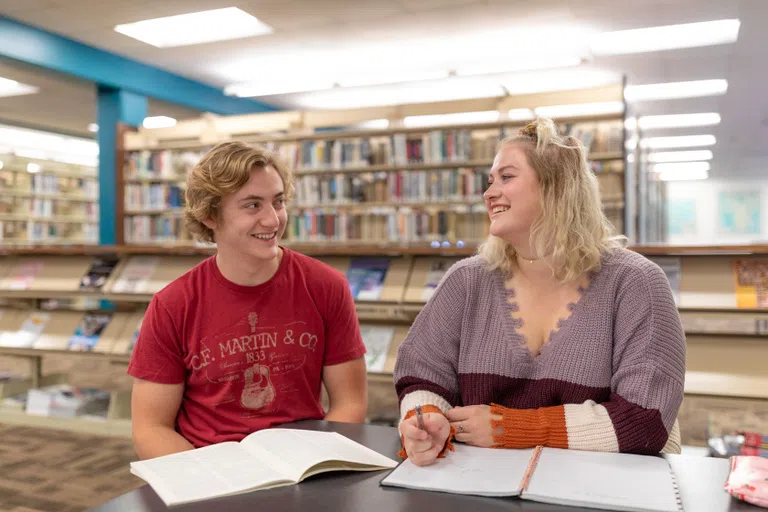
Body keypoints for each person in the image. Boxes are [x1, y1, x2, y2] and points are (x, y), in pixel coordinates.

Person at [395, 118, 686, 466]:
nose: (489, 193)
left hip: (601, 491)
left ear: (556, 187)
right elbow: (423, 374)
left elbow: (645, 420)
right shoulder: (466, 280)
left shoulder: (636, 283)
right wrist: (426, 418)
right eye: (490, 181)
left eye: (506, 177)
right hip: (482, 484)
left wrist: (513, 428)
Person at [128, 141, 368, 460]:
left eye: (278, 202)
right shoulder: (173, 304)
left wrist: (315, 461)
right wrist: (209, 478)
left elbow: (349, 403)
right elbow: (151, 428)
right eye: (253, 205)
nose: (273, 220)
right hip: (208, 466)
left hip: (303, 459)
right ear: (210, 215)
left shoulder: (326, 286)